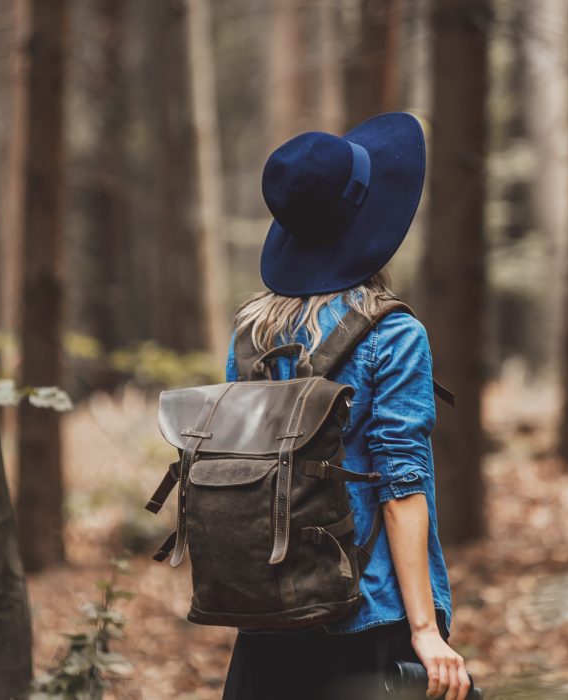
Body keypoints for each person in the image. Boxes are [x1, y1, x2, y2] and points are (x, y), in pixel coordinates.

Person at [219, 112, 470, 700]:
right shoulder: (394, 333)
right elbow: (401, 486)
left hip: (267, 619)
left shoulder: (250, 332)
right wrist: (426, 631)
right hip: (365, 613)